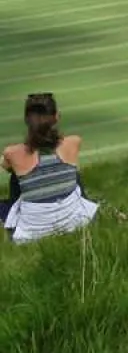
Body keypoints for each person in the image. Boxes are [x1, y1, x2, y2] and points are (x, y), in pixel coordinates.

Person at [0, 93, 98, 244]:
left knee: (16, 176)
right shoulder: (73, 142)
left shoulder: (12, 152)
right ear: (57, 117)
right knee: (72, 172)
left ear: (27, 120)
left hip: (33, 232)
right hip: (75, 223)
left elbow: (6, 167)